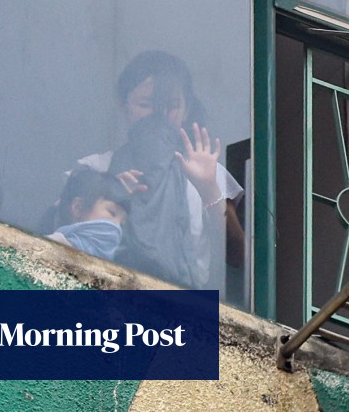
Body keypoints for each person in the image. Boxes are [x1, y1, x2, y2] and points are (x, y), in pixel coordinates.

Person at [77, 50, 244, 291]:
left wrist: (209, 191)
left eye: (171, 106)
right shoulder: (95, 170)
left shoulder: (208, 175)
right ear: (123, 106)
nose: (158, 117)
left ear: (186, 110)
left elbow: (238, 258)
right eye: (146, 105)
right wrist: (112, 196)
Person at [46, 168, 128, 261]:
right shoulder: (45, 251)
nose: (117, 227)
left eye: (122, 224)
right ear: (79, 207)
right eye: (111, 212)